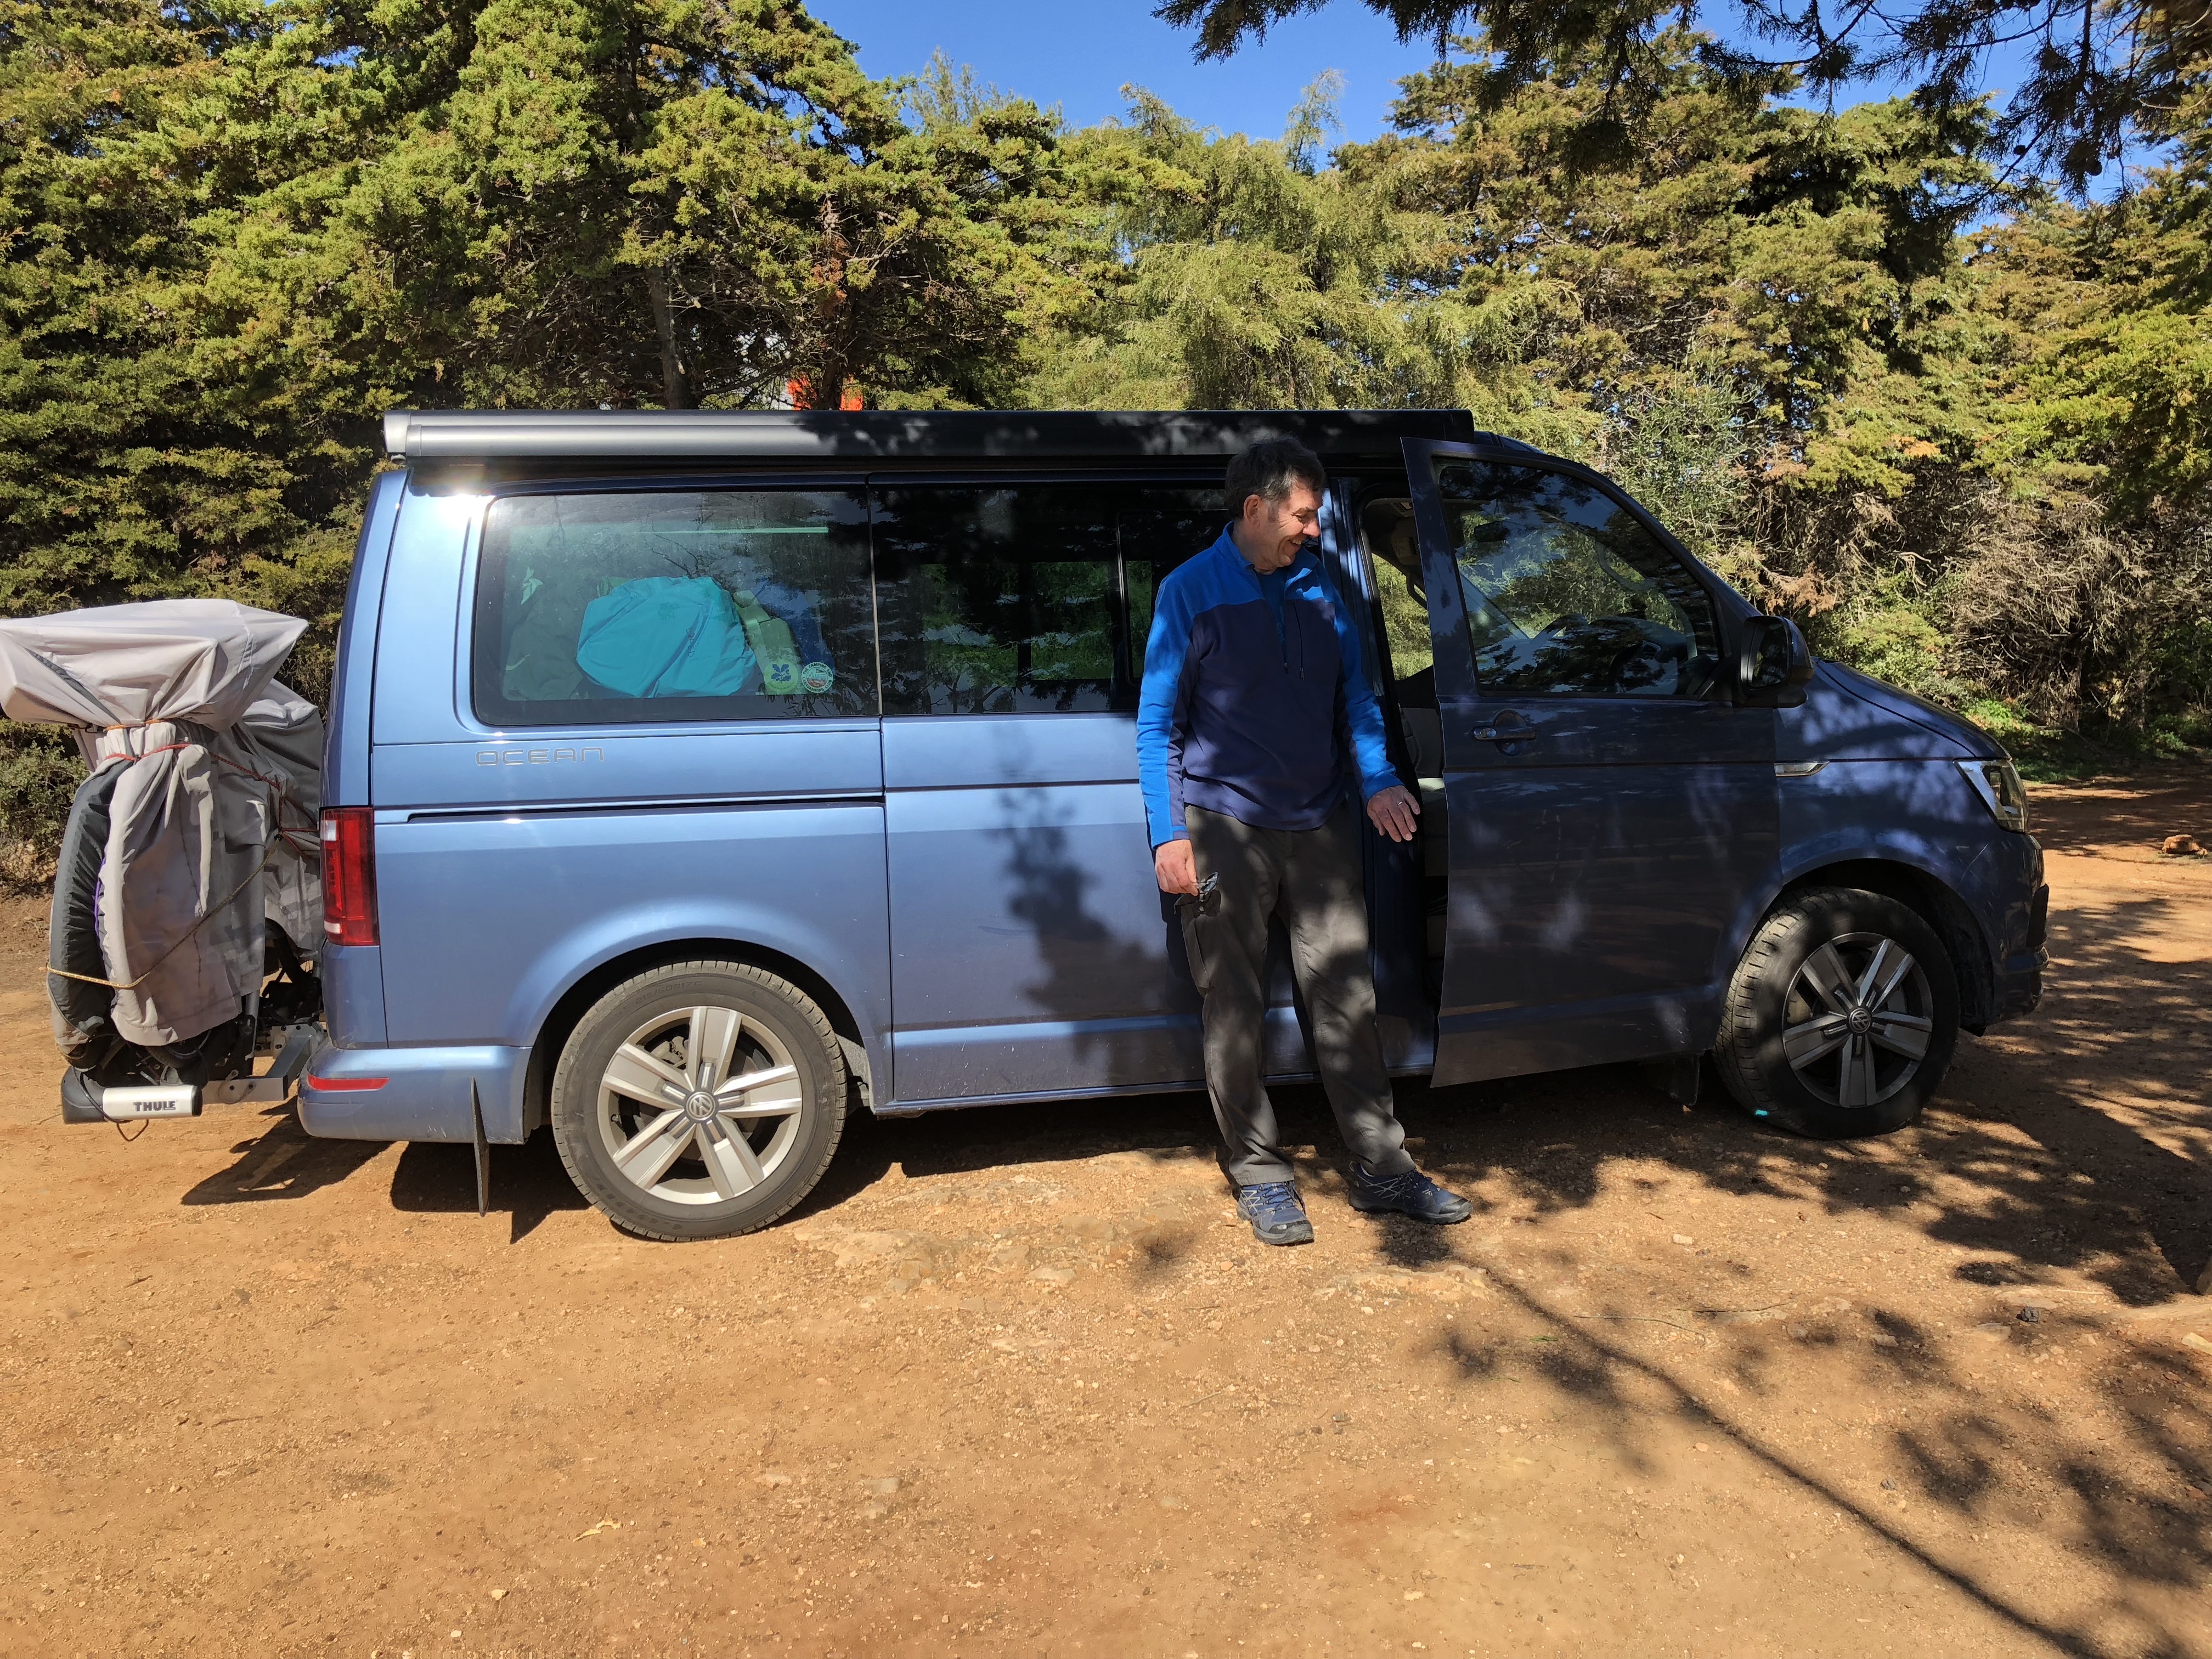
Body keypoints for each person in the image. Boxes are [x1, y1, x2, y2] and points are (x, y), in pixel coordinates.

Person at [1137, 439, 1474, 1246]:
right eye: (1303, 515)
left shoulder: (1322, 587)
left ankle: (1382, 1167)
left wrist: (1379, 779)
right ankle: (1259, 1172)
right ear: (1255, 509)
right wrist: (1168, 833)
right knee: (1234, 1005)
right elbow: (1158, 727)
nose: (1314, 530)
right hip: (1225, 824)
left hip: (1320, 821)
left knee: (1348, 998)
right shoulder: (1189, 591)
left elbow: (1356, 698)